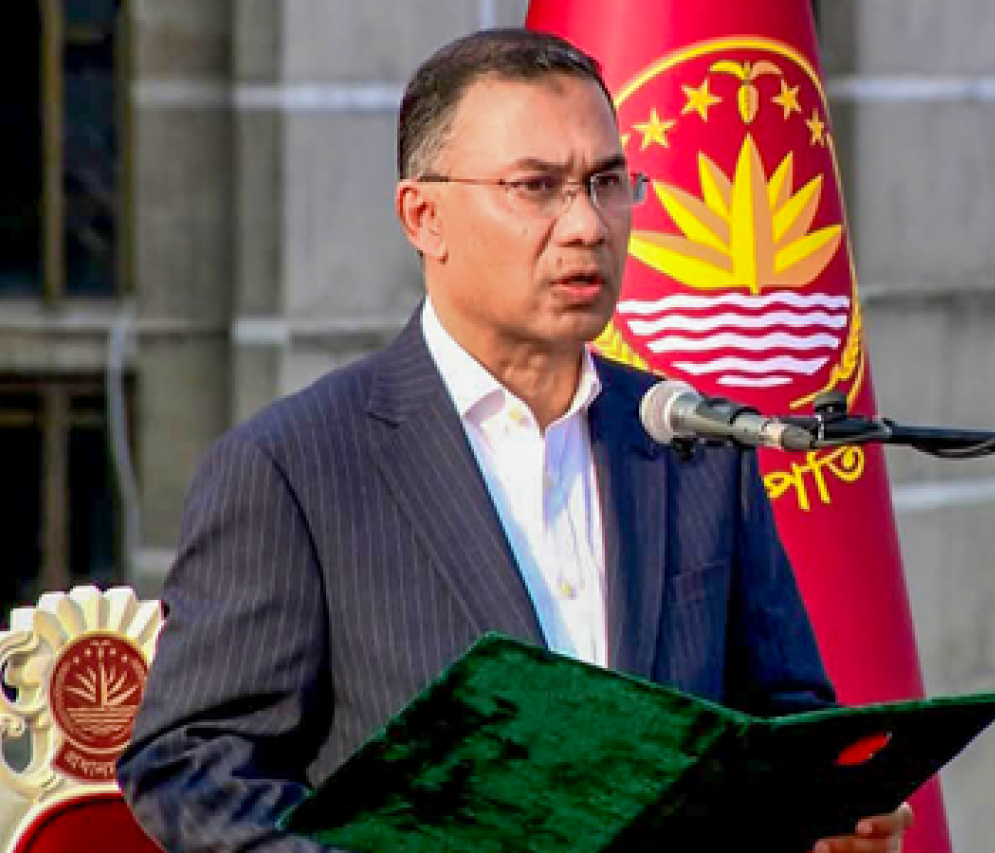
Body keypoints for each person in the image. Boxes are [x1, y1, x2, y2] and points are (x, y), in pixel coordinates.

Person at [118, 28, 912, 853]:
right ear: (424, 216)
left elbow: (786, 715)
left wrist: (829, 813)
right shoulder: (293, 468)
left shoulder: (698, 444)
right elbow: (190, 764)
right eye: (536, 187)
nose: (587, 225)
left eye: (608, 182)